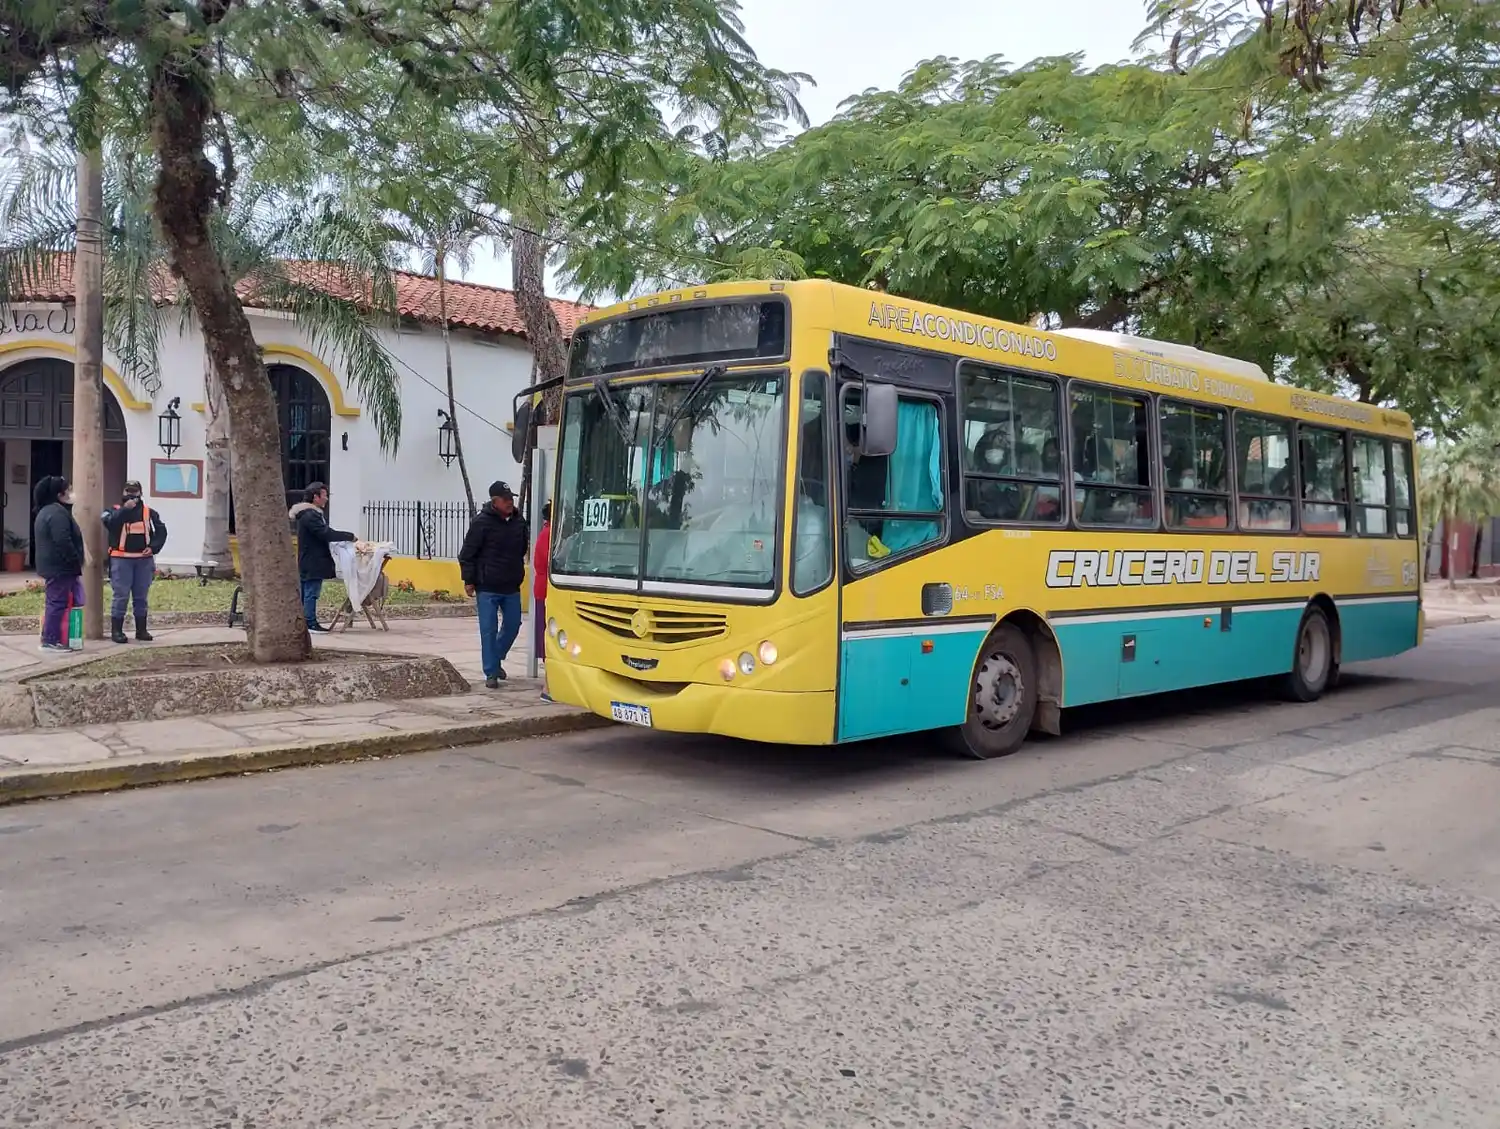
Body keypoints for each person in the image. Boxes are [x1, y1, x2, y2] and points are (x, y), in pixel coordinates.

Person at [458, 480, 528, 688]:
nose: (510, 503)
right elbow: (467, 554)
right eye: (506, 500)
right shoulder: (482, 523)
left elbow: (522, 548)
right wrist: (469, 580)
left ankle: (495, 658)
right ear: (495, 501)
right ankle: (491, 672)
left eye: (511, 499)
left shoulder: (519, 522)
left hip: (511, 585)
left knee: (513, 625)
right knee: (488, 629)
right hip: (487, 585)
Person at [102, 479, 168, 643]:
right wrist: (125, 510)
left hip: (143, 561)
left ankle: (141, 630)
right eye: (128, 491)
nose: (131, 494)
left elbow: (161, 532)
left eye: (134, 491)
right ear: (123, 493)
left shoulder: (149, 512)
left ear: (140, 493)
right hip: (121, 560)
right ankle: (117, 632)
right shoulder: (113, 511)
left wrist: (153, 547)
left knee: (141, 597)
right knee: (121, 596)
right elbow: (110, 523)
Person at [288, 482, 355, 633]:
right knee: (311, 592)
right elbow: (325, 533)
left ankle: (304, 622)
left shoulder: (309, 514)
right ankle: (310, 623)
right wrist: (349, 536)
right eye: (324, 495)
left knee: (307, 591)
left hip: (308, 559)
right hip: (313, 560)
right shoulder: (311, 515)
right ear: (315, 497)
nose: (326, 499)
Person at [32, 475, 84, 653]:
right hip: (60, 568)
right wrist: (75, 560)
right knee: (56, 603)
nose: (71, 493)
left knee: (55, 602)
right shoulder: (57, 513)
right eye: (68, 489)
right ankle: (50, 641)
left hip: (55, 567)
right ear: (59, 494)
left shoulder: (47, 511)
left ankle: (51, 638)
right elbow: (63, 541)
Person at [533, 502, 553, 703]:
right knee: (549, 637)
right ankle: (549, 685)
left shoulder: (546, 532)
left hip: (544, 589)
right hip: (547, 591)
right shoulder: (549, 534)